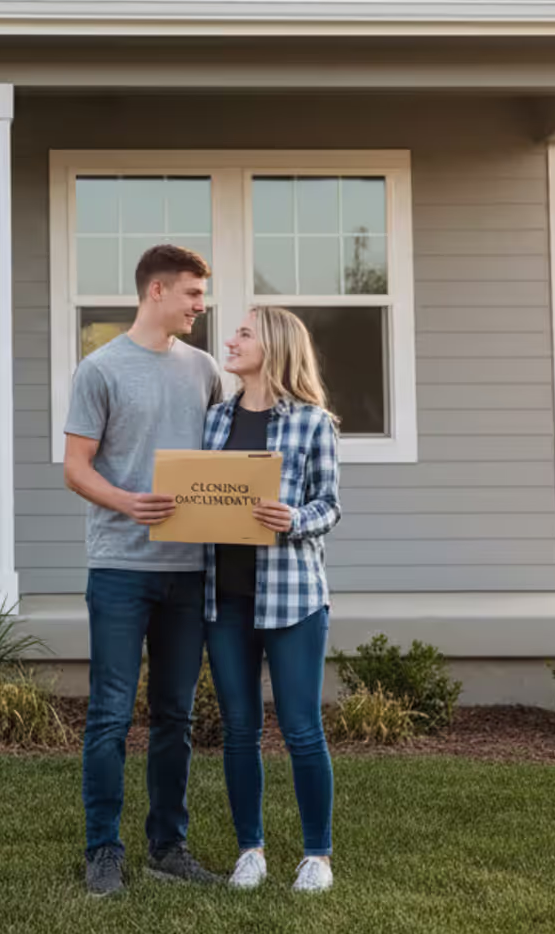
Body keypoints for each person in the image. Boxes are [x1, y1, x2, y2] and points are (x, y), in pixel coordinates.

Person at [63, 244, 229, 898]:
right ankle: (103, 847)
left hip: (189, 571)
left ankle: (168, 847)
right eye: (192, 293)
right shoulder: (100, 370)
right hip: (120, 568)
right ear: (157, 291)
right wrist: (129, 501)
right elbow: (76, 469)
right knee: (108, 714)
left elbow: (221, 460)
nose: (200, 305)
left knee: (175, 716)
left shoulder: (206, 369)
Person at [202, 306, 343, 895]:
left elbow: (330, 505)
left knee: (301, 729)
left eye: (242, 334)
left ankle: (317, 855)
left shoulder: (313, 424)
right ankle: (250, 850)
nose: (229, 341)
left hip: (292, 599)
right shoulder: (213, 420)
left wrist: (293, 518)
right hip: (224, 599)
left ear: (275, 347)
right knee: (238, 728)